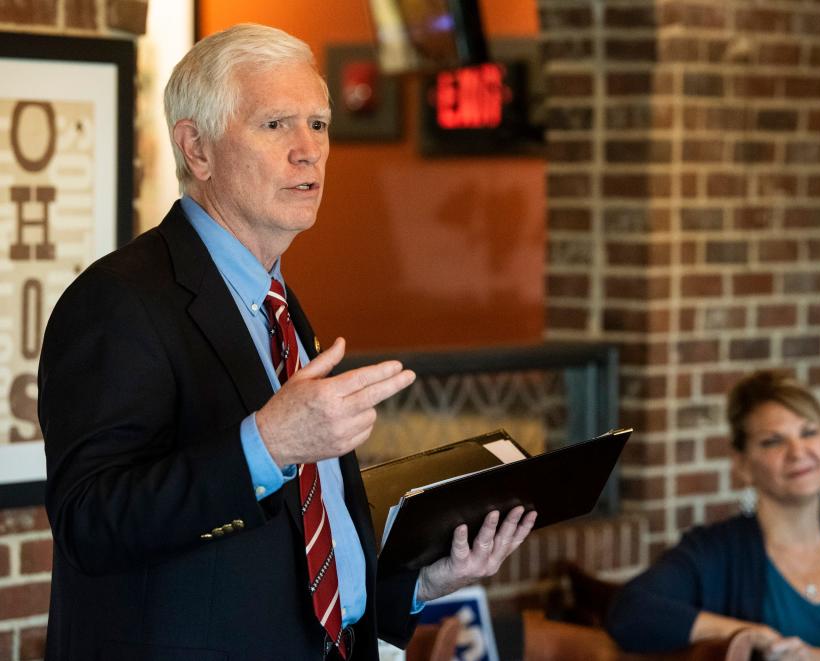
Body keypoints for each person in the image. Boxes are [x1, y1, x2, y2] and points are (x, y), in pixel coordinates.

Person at [38, 23, 535, 661]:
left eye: (320, 125)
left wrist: (422, 583)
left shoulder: (276, 301)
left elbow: (299, 546)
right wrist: (266, 444)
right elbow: (90, 524)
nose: (309, 152)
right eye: (276, 125)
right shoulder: (118, 300)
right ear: (197, 149)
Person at [606, 370, 820, 661]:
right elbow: (629, 613)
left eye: (808, 433)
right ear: (743, 465)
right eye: (773, 441)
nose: (797, 452)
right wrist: (751, 634)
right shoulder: (714, 552)